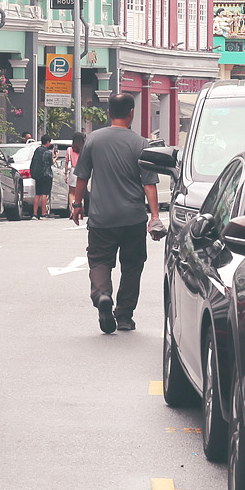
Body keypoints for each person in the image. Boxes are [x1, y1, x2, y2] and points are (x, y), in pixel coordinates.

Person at [70, 95, 161, 334]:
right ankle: (124, 316)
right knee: (132, 266)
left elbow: (82, 177)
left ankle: (102, 295)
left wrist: (77, 204)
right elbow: (149, 185)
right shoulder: (142, 144)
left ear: (109, 112)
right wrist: (154, 216)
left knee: (99, 261)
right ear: (131, 113)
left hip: (101, 218)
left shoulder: (93, 140)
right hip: (133, 218)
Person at [29, 131, 55, 219]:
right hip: (47, 175)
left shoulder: (37, 150)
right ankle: (44, 213)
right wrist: (56, 157)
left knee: (37, 194)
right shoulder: (48, 152)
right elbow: (51, 163)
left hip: (38, 174)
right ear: (47, 142)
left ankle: (35, 214)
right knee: (45, 194)